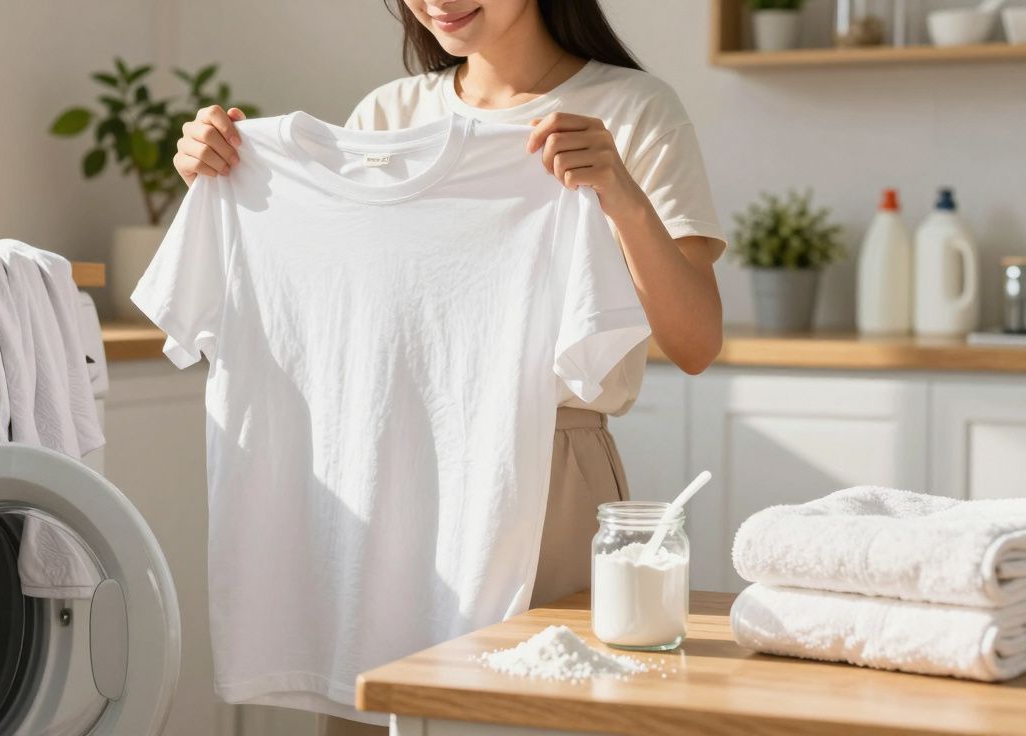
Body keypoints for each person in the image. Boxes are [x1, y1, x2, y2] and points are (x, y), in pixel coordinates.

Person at [173, 2, 724, 733]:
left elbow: (695, 341)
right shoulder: (387, 115)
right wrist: (224, 181)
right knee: (373, 716)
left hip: (546, 480)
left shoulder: (631, 110)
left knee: (531, 713)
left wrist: (618, 193)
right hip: (385, 481)